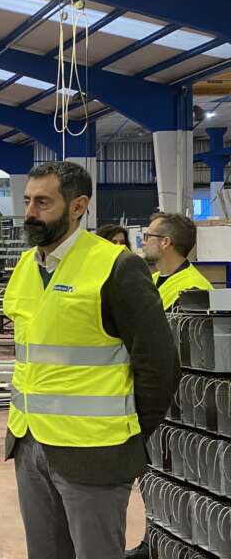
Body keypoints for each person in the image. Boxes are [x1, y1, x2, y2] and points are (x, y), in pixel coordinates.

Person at [4, 161, 179, 559]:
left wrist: (129, 432)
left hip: (95, 452)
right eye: (28, 200)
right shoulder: (25, 266)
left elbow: (158, 365)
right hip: (30, 443)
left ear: (78, 206)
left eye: (43, 202)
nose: (30, 212)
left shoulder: (116, 267)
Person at [125, 212, 211, 559]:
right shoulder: (157, 281)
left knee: (179, 479)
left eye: (148, 235)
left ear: (166, 243)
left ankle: (179, 543)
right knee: (153, 476)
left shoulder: (192, 289)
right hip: (154, 398)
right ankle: (154, 539)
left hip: (179, 403)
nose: (142, 240)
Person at [142, 212, 213, 310]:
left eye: (148, 236)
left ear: (165, 242)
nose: (143, 242)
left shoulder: (194, 290)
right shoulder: (151, 280)